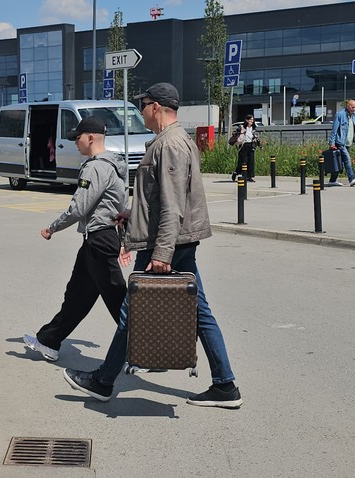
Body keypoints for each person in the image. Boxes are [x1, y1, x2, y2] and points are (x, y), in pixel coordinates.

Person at [62, 82, 243, 408]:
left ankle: (103, 381)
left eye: (142, 105)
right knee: (199, 313)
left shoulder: (170, 145)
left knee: (134, 314)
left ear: (156, 106)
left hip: (167, 244)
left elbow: (173, 204)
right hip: (174, 241)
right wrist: (134, 214)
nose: (140, 111)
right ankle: (225, 384)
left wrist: (161, 253)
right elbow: (163, 198)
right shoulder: (172, 141)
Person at [23, 117, 129, 362]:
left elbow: (79, 208)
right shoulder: (114, 165)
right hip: (99, 239)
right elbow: (122, 205)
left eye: (78, 138)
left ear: (91, 138)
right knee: (77, 297)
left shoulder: (95, 167)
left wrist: (52, 228)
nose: (75, 143)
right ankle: (48, 341)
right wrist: (123, 240)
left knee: (118, 300)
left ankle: (145, 352)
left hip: (99, 241)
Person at [230, 115, 260, 183]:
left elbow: (256, 137)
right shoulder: (242, 127)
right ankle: (236, 173)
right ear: (247, 120)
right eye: (250, 120)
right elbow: (237, 136)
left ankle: (249, 176)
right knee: (243, 161)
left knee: (251, 161)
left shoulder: (253, 128)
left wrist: (258, 145)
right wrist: (242, 131)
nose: (252, 121)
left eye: (252, 120)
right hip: (243, 145)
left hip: (251, 145)